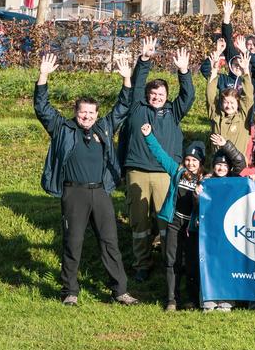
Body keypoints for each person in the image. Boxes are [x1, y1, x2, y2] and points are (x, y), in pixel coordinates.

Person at [34, 52, 138, 306]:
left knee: (110, 243)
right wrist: (44, 75)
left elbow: (122, 108)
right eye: (83, 112)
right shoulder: (63, 129)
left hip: (100, 193)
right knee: (73, 243)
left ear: (96, 114)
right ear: (76, 112)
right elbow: (42, 108)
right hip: (74, 194)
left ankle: (120, 291)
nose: (87, 117)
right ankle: (70, 291)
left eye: (91, 113)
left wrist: (126, 79)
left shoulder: (103, 127)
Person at [123, 37, 195, 282]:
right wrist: (144, 59)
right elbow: (136, 84)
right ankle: (142, 264)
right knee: (139, 223)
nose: (156, 97)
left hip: (165, 174)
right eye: (153, 93)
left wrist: (183, 71)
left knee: (165, 222)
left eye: (161, 93)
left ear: (167, 95)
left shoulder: (173, 112)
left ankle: (170, 262)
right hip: (137, 171)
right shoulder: (137, 108)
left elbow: (189, 96)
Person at [140, 125, 205, 312]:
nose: (191, 163)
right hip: (174, 222)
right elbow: (160, 155)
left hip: (192, 226)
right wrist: (149, 136)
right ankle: (172, 299)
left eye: (195, 160)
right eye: (188, 159)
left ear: (200, 162)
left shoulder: (205, 180)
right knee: (171, 261)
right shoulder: (177, 171)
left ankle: (192, 299)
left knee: (192, 263)